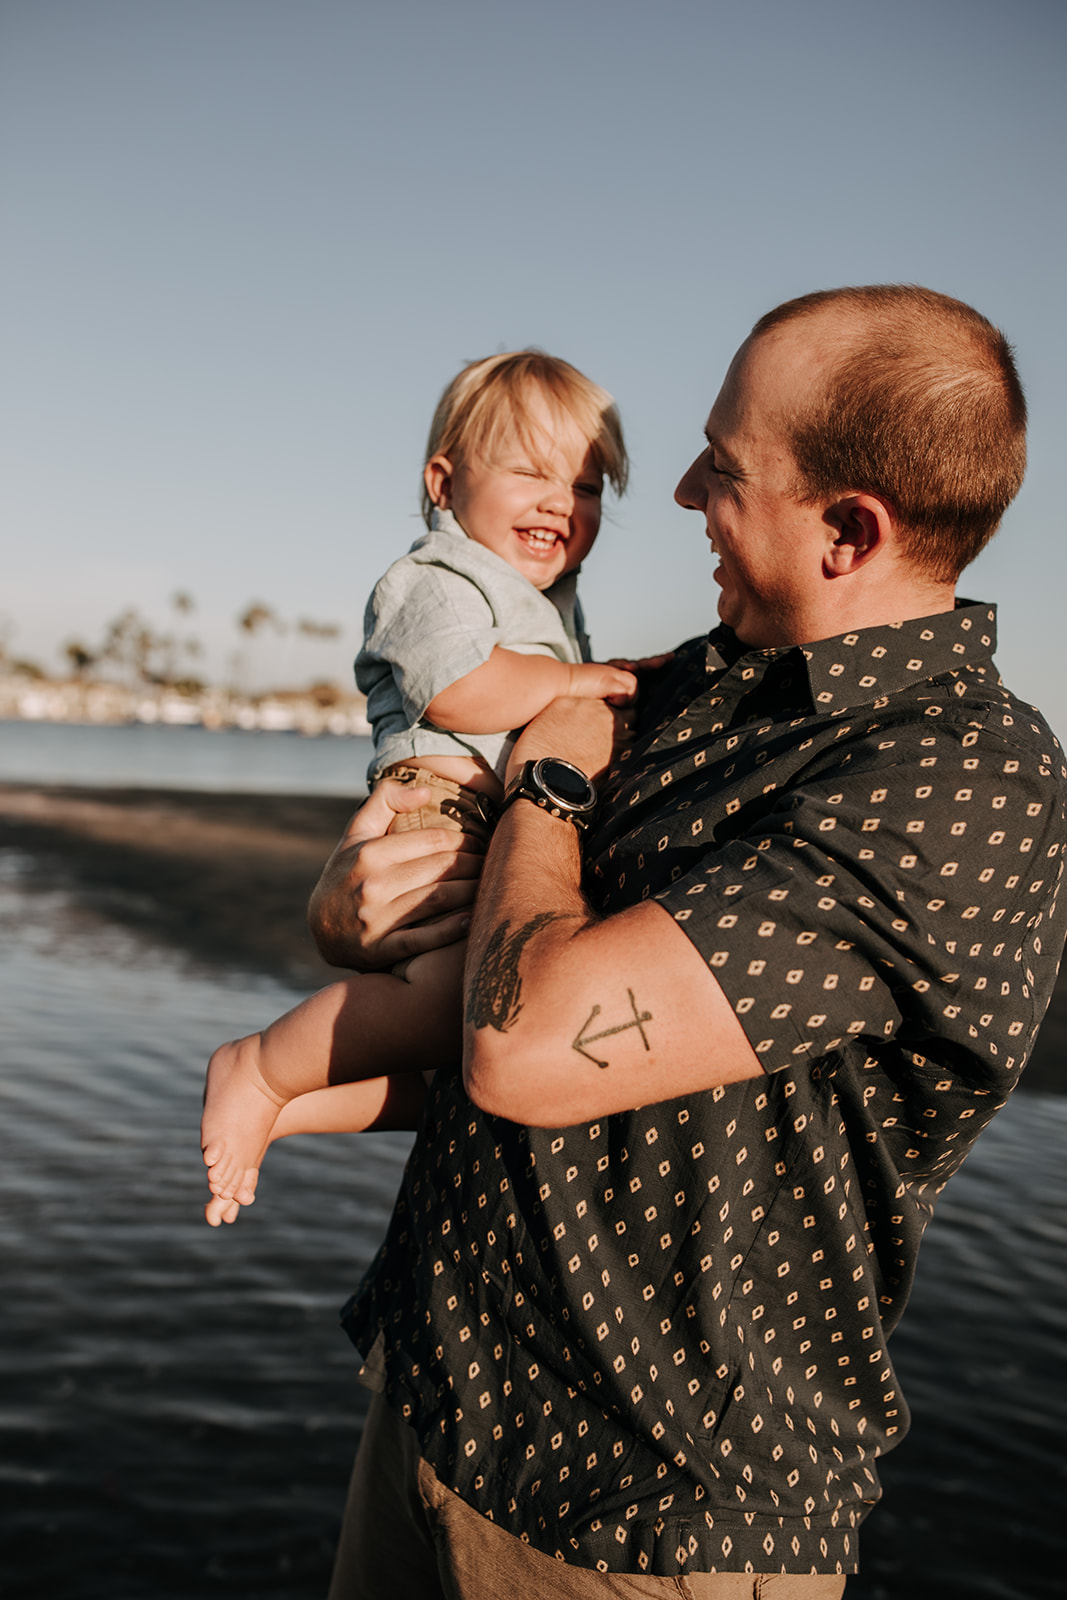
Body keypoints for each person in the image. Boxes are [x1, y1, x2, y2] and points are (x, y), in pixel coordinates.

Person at [308, 285, 1067, 1598]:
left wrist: (545, 784)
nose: (673, 495)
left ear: (846, 530)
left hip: (638, 1525)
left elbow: (528, 1046)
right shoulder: (686, 691)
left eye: (719, 466)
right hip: (433, 1404)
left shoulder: (954, 785)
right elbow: (464, 953)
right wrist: (345, 901)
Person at [200, 352, 638, 1225]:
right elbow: (461, 689)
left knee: (473, 1060)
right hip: (439, 815)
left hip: (488, 821)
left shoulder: (550, 601)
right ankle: (261, 1066)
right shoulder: (435, 578)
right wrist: (586, 683)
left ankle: (291, 1106)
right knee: (445, 1006)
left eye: (587, 487)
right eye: (529, 472)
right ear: (444, 481)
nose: (561, 499)